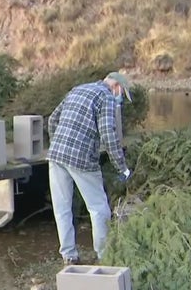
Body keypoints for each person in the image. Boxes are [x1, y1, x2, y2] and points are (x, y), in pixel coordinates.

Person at [46, 72, 133, 265]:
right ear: (117, 87)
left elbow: (52, 120)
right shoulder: (106, 97)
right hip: (82, 159)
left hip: (56, 155)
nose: (120, 99)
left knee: (62, 208)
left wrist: (58, 144)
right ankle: (104, 256)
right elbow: (109, 136)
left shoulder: (78, 89)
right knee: (98, 208)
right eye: (121, 94)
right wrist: (123, 167)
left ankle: (69, 256)